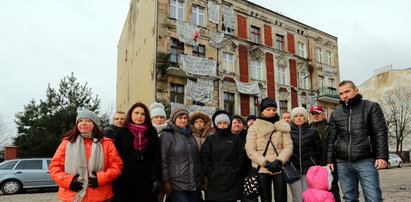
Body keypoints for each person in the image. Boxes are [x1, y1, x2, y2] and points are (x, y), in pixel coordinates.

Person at [327, 80, 388, 202]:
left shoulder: (371, 107)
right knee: (349, 197)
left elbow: (380, 132)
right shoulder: (335, 113)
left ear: (356, 91)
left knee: (373, 197)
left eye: (347, 91)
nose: (344, 95)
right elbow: (331, 138)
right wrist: (330, 160)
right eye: (341, 93)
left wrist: (382, 157)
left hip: (365, 160)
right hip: (342, 162)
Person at [49, 109, 123, 202]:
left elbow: (116, 166)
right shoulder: (67, 143)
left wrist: (101, 179)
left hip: (100, 195)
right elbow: (54, 167)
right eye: (80, 121)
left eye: (88, 120)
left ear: (95, 124)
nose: (83, 123)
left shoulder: (106, 143)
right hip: (72, 196)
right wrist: (69, 181)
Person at [246, 97, 293, 202]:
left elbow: (288, 146)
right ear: (262, 111)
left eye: (274, 109)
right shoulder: (254, 127)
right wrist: (265, 163)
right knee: (265, 198)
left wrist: (279, 161)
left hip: (279, 167)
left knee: (281, 198)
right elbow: (250, 150)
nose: (271, 112)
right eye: (268, 109)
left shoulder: (282, 126)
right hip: (262, 167)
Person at [115, 102, 162, 202]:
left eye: (142, 114)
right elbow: (116, 157)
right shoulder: (122, 132)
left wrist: (156, 179)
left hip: (147, 180)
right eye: (136, 113)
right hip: (127, 180)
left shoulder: (151, 132)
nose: (139, 116)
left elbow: (156, 157)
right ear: (130, 114)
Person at [160, 106, 203, 202]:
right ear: (174, 119)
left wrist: (200, 180)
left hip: (193, 184)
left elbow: (196, 160)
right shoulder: (167, 135)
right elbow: (163, 160)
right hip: (177, 185)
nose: (183, 120)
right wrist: (166, 182)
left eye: (185, 118)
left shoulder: (191, 136)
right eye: (180, 117)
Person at [201, 110, 244, 202]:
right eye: (220, 123)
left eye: (225, 123)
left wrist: (235, 170)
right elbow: (204, 156)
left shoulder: (236, 138)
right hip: (214, 179)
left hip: (231, 177)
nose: (223, 125)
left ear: (228, 124)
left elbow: (240, 156)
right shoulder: (210, 139)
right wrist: (210, 171)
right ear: (216, 125)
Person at [289, 107, 321, 202]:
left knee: (308, 196)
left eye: (301, 116)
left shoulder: (313, 132)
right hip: (293, 169)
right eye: (296, 116)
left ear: (305, 118)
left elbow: (318, 150)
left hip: (309, 170)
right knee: (297, 197)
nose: (298, 118)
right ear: (292, 118)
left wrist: (315, 164)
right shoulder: (288, 132)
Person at [309, 105, 340, 202]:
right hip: (315, 166)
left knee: (332, 188)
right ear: (310, 116)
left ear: (323, 114)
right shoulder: (308, 128)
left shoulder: (330, 127)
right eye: (313, 114)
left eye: (318, 113)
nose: (316, 116)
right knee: (316, 191)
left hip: (329, 164)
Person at [231, 115, 258, 202]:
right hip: (231, 173)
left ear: (243, 125)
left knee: (249, 197)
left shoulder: (249, 136)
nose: (237, 124)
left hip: (247, 172)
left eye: (240, 122)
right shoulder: (226, 137)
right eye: (234, 122)